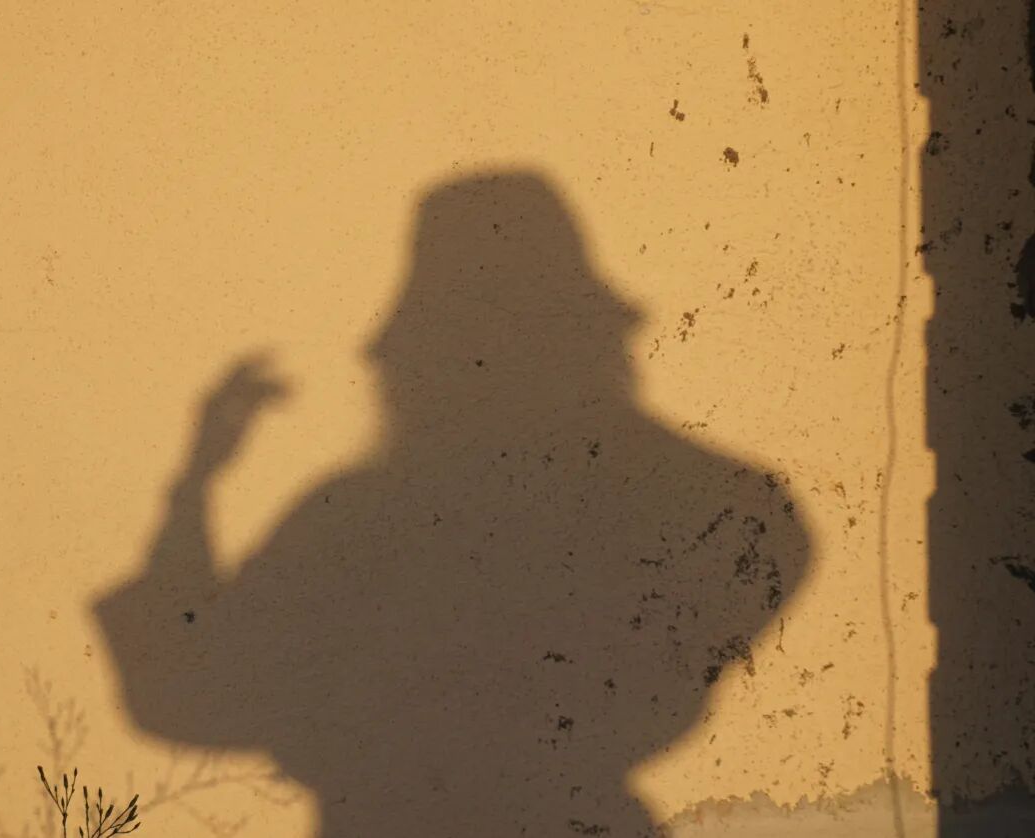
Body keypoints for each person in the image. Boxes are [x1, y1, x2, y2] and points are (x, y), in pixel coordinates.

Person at [95, 171, 809, 836]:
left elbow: (196, 686)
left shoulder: (361, 520)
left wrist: (194, 487)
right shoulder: (681, 500)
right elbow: (198, 686)